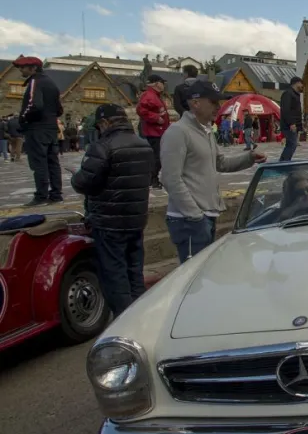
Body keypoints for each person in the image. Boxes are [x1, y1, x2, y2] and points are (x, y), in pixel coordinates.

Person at [160, 80, 265, 264]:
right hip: (189, 220)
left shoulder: (206, 131)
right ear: (195, 103)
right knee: (195, 274)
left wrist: (249, 158)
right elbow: (170, 178)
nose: (218, 106)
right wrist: (194, 215)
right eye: (213, 102)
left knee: (204, 271)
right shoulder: (178, 132)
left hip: (205, 216)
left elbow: (220, 163)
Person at [70, 104, 154, 316]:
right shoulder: (143, 145)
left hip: (109, 223)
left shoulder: (102, 147)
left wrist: (75, 176)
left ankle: (125, 320)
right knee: (135, 272)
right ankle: (141, 315)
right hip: (136, 220)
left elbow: (83, 182)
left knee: (115, 275)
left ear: (105, 123)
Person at [13, 56, 64, 206]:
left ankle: (41, 196)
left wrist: (22, 118)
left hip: (37, 129)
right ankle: (56, 194)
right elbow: (59, 109)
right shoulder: (51, 83)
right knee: (52, 162)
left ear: (33, 68)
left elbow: (34, 105)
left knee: (39, 163)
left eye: (23, 67)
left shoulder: (35, 81)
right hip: (51, 128)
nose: (21, 70)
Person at [136, 74, 171, 189]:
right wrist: (156, 118)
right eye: (162, 83)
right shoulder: (149, 95)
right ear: (157, 83)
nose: (164, 85)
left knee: (158, 156)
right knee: (157, 157)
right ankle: (153, 179)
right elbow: (141, 110)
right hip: (154, 132)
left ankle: (153, 178)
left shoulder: (154, 95)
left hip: (158, 131)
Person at [279, 76, 304, 162]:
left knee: (291, 145)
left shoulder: (295, 94)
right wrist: (291, 123)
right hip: (289, 125)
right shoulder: (288, 94)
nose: (302, 86)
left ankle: (283, 162)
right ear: (296, 83)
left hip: (293, 125)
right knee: (292, 144)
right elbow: (286, 109)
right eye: (301, 83)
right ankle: (284, 163)